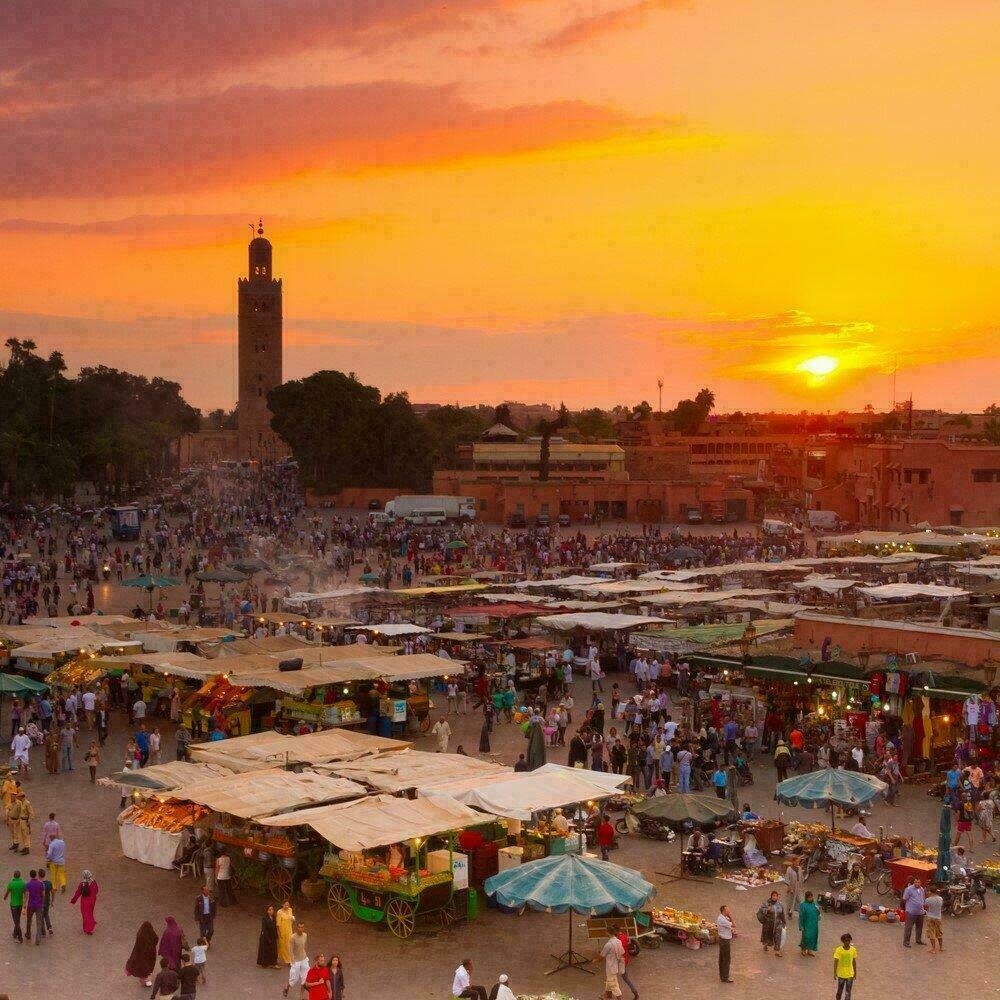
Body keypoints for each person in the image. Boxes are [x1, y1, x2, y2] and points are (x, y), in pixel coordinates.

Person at [126, 920, 160, 988]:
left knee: (142, 968)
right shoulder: (152, 934)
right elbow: (156, 939)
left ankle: (145, 981)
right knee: (149, 967)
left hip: (141, 955)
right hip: (151, 954)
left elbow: (137, 946)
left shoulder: (140, 935)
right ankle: (148, 981)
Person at [284, 921, 309, 998]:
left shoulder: (305, 935)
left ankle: (301, 996)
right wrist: (292, 961)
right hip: (296, 961)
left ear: (304, 928)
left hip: (304, 959)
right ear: (297, 928)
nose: (300, 929)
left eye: (302, 927)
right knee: (294, 979)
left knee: (305, 978)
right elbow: (290, 949)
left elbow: (304, 946)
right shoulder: (293, 937)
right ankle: (287, 987)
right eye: (299, 927)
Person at [69, 869, 99, 934]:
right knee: (90, 912)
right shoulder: (94, 882)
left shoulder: (82, 884)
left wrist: (73, 900)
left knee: (85, 914)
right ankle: (92, 922)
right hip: (93, 900)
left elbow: (77, 893)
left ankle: (88, 929)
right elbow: (97, 890)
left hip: (85, 901)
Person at [758, 890, 786, 957]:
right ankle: (766, 944)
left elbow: (782, 914)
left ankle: (777, 951)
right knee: (768, 936)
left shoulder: (780, 904)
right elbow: (762, 910)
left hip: (777, 924)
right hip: (768, 924)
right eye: (773, 896)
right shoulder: (766, 903)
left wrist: (784, 922)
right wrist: (767, 909)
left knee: (778, 937)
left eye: (776, 896)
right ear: (771, 896)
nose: (775, 897)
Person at [615, 925, 639, 1000]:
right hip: (625, 959)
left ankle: (635, 993)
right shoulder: (625, 937)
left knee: (619, 977)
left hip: (620, 960)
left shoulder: (617, 939)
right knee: (618, 977)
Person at [600, 929, 626, 998]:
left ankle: (618, 997)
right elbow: (622, 952)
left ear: (608, 933)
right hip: (616, 965)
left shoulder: (608, 944)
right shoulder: (619, 942)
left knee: (613, 983)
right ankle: (607, 995)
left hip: (610, 967)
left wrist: (595, 960)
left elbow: (602, 956)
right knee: (610, 980)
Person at [833, 933, 858, 1000]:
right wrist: (834, 973)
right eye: (845, 941)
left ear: (850, 941)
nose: (847, 942)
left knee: (848, 992)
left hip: (850, 975)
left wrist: (855, 973)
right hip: (841, 974)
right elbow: (835, 962)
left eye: (848, 941)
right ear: (843, 941)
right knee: (839, 991)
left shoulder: (853, 950)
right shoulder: (838, 950)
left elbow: (854, 962)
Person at [901, 876, 925, 947]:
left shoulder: (922, 889)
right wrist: (908, 908)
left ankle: (918, 940)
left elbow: (923, 898)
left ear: (920, 883)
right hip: (911, 912)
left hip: (920, 912)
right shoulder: (908, 889)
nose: (917, 883)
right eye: (915, 882)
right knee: (908, 928)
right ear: (913, 882)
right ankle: (906, 942)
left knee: (919, 927)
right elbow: (904, 899)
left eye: (918, 882)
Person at [24, 869, 45, 945]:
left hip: (31, 905)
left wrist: (24, 905)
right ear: (36, 875)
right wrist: (42, 902)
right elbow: (43, 894)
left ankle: (28, 934)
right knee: (39, 922)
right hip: (39, 905)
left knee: (29, 920)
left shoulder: (28, 884)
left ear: (30, 875)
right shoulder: (40, 884)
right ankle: (38, 939)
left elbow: (26, 896)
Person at [4, 869, 25, 943]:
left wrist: (4, 898)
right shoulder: (23, 883)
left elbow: (7, 893)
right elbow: (25, 894)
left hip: (13, 905)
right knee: (17, 919)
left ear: (14, 875)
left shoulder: (11, 884)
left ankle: (20, 938)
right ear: (20, 876)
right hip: (20, 904)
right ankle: (15, 934)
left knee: (16, 922)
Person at [798, 890, 821, 956]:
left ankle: (810, 950)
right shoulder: (803, 905)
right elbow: (801, 916)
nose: (810, 898)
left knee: (813, 937)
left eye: (811, 897)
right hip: (806, 924)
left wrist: (818, 912)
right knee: (806, 937)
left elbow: (818, 912)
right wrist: (801, 926)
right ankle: (803, 950)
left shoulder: (814, 904)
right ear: (806, 897)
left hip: (814, 924)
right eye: (809, 897)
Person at [717, 904, 735, 982]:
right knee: (726, 959)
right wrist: (731, 916)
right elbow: (734, 924)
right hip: (725, 941)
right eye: (728, 910)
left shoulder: (722, 917)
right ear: (724, 911)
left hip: (722, 939)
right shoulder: (723, 920)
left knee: (722, 958)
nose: (729, 911)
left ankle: (722, 976)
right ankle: (725, 977)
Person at [924, 885, 944, 953]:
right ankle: (941, 947)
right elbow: (941, 906)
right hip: (938, 917)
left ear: (930, 891)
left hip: (930, 917)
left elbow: (926, 907)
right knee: (939, 932)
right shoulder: (940, 898)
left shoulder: (928, 900)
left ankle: (933, 949)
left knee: (931, 933)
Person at [276, 899, 295, 964]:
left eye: (288, 905)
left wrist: (293, 919)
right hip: (282, 930)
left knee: (289, 945)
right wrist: (279, 933)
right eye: (285, 905)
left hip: (289, 930)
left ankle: (289, 960)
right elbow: (278, 924)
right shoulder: (279, 912)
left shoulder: (290, 910)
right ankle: (283, 957)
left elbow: (291, 919)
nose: (287, 906)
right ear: (282, 905)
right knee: (283, 945)